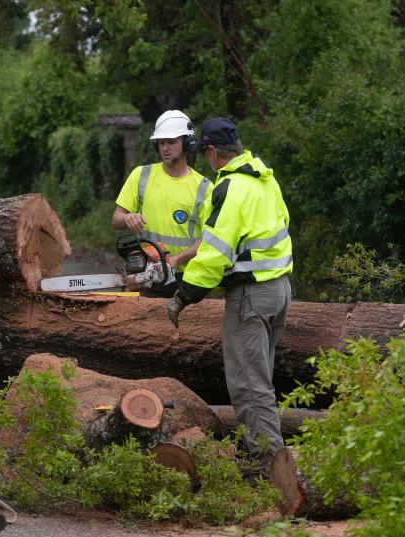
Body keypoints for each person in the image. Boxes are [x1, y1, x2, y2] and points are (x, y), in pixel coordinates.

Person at [167, 117, 292, 466]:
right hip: (279, 290)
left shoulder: (231, 187)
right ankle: (271, 462)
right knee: (260, 384)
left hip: (250, 297)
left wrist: (184, 294)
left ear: (210, 151)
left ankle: (270, 472)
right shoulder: (263, 179)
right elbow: (268, 230)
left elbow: (217, 253)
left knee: (249, 388)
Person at [112, 110, 213, 294]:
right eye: (161, 142)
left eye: (172, 142)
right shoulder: (141, 175)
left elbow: (210, 238)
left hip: (187, 278)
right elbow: (116, 219)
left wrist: (178, 259)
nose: (165, 148)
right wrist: (128, 218)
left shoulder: (204, 188)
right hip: (148, 274)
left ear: (187, 142)